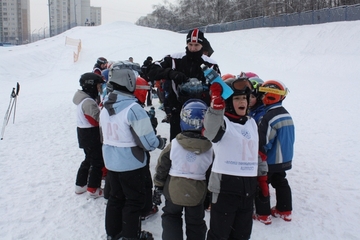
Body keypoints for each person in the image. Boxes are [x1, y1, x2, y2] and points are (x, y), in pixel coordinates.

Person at [100, 61, 167, 240]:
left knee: (115, 199)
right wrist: (159, 142)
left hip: (112, 163)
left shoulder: (106, 107)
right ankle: (131, 236)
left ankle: (113, 234)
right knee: (133, 201)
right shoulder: (133, 108)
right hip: (131, 164)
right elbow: (147, 141)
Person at [202, 77, 268, 240]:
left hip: (248, 188)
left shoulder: (251, 123)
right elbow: (210, 132)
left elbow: (255, 152)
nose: (243, 101)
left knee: (242, 234)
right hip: (226, 187)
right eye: (237, 98)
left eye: (244, 98)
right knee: (219, 234)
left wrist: (262, 179)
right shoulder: (223, 122)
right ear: (229, 102)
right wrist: (216, 106)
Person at [153, 99, 213, 240]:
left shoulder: (174, 145)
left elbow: (162, 166)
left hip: (174, 190)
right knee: (196, 222)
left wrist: (158, 185)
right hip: (197, 193)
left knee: (171, 217)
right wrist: (209, 194)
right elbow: (212, 174)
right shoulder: (210, 149)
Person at [147, 28, 221, 141]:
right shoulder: (174, 59)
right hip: (178, 110)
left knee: (201, 147)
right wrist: (171, 73)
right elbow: (151, 71)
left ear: (202, 45)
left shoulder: (210, 64)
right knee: (177, 145)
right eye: (190, 44)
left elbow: (219, 88)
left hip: (202, 112)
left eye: (196, 45)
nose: (193, 48)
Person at [253, 80, 295, 224]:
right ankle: (285, 210)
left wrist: (258, 154)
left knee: (261, 184)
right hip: (285, 158)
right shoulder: (286, 114)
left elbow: (264, 141)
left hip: (270, 160)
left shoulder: (268, 117)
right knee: (281, 182)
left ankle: (263, 214)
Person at [73, 72, 105, 198]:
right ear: (90, 85)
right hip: (91, 134)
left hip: (84, 133)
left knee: (88, 159)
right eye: (98, 86)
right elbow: (95, 120)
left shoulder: (84, 99)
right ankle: (93, 188)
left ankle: (80, 185)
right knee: (97, 161)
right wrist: (103, 112)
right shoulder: (88, 102)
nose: (99, 89)